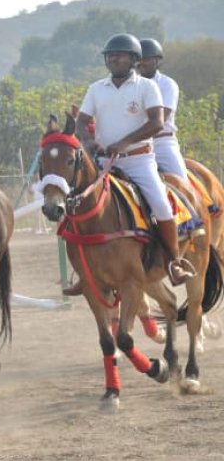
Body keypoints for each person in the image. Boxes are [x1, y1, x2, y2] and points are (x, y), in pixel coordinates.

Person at [65, 33, 195, 295]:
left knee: (160, 205)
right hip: (103, 163)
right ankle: (84, 271)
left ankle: (174, 262)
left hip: (139, 160)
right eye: (110, 55)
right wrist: (90, 143)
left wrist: (123, 143)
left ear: (134, 59)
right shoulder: (96, 88)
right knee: (76, 202)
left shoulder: (147, 87)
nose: (113, 58)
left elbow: (157, 122)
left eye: (120, 54)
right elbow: (81, 121)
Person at [137, 38, 191, 188]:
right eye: (138, 59)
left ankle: (195, 211)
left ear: (157, 61)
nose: (141, 62)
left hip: (161, 143)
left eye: (145, 59)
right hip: (134, 145)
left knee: (182, 183)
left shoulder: (167, 84)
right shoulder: (130, 85)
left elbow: (162, 117)